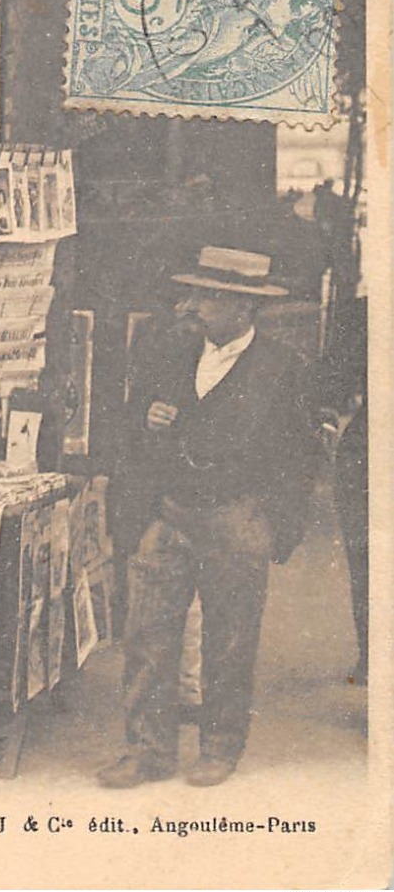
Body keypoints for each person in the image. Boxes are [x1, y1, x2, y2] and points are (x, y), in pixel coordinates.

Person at [98, 247, 315, 790]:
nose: (191, 305)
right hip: (167, 514)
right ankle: (146, 749)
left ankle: (219, 747)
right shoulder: (168, 348)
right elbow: (128, 422)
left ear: (244, 307)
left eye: (207, 297)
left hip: (236, 519)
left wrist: (272, 531)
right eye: (193, 293)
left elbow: (301, 456)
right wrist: (147, 419)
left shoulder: (282, 366)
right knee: (147, 635)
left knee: (231, 640)